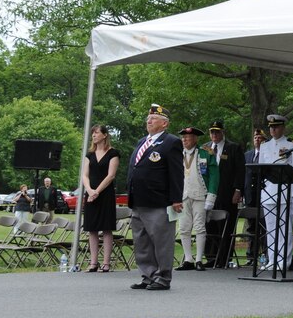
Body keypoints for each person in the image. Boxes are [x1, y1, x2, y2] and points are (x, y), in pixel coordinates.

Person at [127, 104, 184, 290]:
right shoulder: (142, 142)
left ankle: (163, 277)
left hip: (159, 201)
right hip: (139, 200)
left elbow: (176, 173)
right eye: (148, 119)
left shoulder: (171, 142)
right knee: (142, 241)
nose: (149, 121)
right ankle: (148, 275)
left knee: (161, 241)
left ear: (164, 124)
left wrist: (176, 198)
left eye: (153, 119)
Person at [256, 114, 293, 272]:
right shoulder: (264, 146)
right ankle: (272, 259)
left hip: (285, 192)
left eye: (276, 127)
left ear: (283, 127)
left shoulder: (292, 145)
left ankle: (284, 260)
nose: (272, 129)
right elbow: (261, 170)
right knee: (270, 228)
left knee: (285, 229)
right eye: (270, 127)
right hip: (269, 192)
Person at [203, 120, 246, 268]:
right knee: (209, 224)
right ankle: (211, 256)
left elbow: (240, 171)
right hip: (209, 193)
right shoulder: (205, 148)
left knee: (226, 226)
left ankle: (224, 257)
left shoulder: (233, 148)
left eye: (217, 131)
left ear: (223, 132)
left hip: (227, 193)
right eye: (212, 132)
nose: (214, 134)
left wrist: (238, 190)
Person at [176, 126, 219, 271]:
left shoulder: (206, 152)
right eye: (183, 137)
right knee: (183, 228)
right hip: (183, 195)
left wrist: (211, 196)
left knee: (200, 227)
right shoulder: (177, 154)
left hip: (200, 194)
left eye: (188, 137)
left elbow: (214, 175)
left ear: (195, 139)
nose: (185, 140)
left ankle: (199, 259)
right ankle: (188, 259)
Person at [82, 124, 121, 272]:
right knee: (91, 228)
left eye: (97, 133)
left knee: (106, 228)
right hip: (91, 193)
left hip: (105, 194)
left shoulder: (113, 153)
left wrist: (97, 191)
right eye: (93, 133)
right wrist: (90, 190)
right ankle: (93, 262)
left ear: (105, 135)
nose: (94, 135)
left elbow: (111, 175)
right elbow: (85, 175)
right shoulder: (89, 155)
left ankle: (106, 263)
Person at [243, 128, 267, 262]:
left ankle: (264, 254)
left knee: (263, 225)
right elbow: (243, 174)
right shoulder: (247, 155)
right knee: (251, 226)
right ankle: (251, 255)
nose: (257, 140)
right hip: (249, 195)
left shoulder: (267, 155)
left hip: (263, 194)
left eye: (260, 138)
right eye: (255, 138)